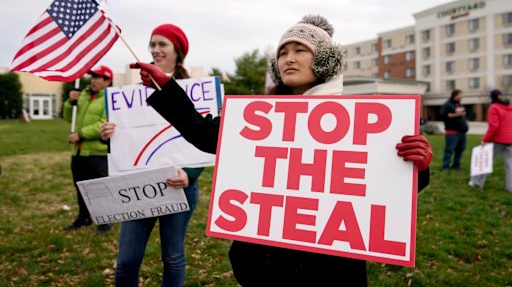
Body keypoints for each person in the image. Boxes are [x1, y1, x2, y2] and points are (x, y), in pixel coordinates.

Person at [131, 15, 432, 287]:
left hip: (329, 268)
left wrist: (417, 165)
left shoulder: (362, 120)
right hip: (265, 266)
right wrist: (166, 87)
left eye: (300, 50)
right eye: (282, 52)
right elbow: (202, 132)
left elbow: (383, 191)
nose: (288, 59)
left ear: (324, 59)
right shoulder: (260, 116)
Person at [101, 24, 204, 287]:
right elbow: (129, 141)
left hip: (178, 186)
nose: (156, 50)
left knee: (172, 257)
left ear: (177, 52)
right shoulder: (134, 92)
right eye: (153, 44)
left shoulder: (194, 88)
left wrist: (190, 174)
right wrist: (111, 133)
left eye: (163, 44)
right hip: (139, 185)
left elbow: (204, 136)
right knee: (126, 261)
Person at [63, 65, 114, 235]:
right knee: (80, 187)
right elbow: (69, 117)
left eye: (98, 77)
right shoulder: (83, 95)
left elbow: (104, 123)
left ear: (107, 81)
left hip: (97, 153)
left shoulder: (110, 99)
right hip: (78, 152)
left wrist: (81, 134)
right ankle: (84, 218)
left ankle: (105, 221)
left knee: (100, 189)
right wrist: (71, 102)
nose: (93, 80)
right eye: (92, 77)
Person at [469, 89, 512, 192]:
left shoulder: (494, 107)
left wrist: (485, 139)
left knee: (485, 162)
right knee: (510, 165)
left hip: (498, 140)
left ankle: (477, 182)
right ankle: (511, 188)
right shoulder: (511, 107)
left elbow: (494, 126)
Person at [440, 89, 469, 172]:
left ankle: (456, 165)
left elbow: (464, 116)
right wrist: (457, 114)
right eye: (460, 96)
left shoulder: (460, 105)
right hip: (452, 133)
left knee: (460, 150)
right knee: (449, 150)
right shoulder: (448, 105)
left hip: (462, 132)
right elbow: (445, 115)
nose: (461, 97)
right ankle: (445, 167)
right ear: (455, 95)